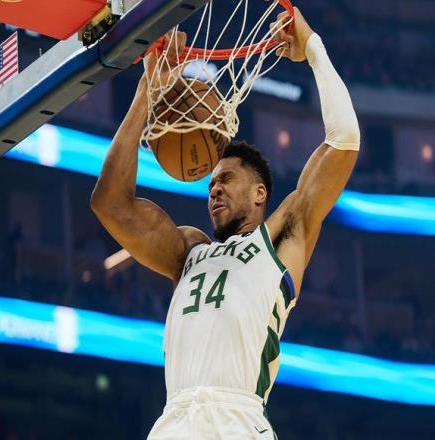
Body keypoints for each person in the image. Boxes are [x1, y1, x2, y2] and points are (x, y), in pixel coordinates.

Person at [90, 6, 360, 440]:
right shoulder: (188, 251)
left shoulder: (283, 236)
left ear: (260, 193)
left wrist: (313, 48)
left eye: (227, 179)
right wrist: (147, 90)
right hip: (175, 421)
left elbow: (344, 141)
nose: (214, 189)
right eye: (211, 183)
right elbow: (109, 203)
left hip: (238, 419)